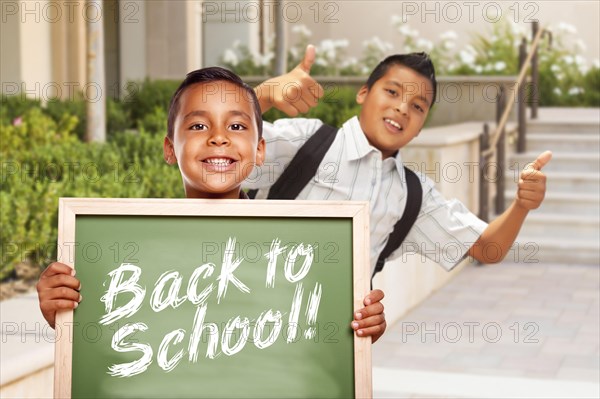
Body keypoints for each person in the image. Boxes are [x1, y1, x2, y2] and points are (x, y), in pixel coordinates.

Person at [36, 67, 386, 342]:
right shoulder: (130, 250)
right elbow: (109, 339)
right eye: (199, 125)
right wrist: (63, 314)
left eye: (236, 125)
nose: (219, 137)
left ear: (260, 149)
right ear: (170, 149)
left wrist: (362, 326)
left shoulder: (299, 251)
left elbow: (321, 337)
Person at [247, 47, 552, 277]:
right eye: (392, 92)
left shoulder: (412, 195)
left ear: (421, 127)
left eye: (418, 106)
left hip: (327, 347)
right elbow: (212, 157)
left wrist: (521, 205)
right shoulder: (306, 142)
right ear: (364, 93)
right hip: (250, 318)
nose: (402, 108)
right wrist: (261, 97)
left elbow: (488, 248)